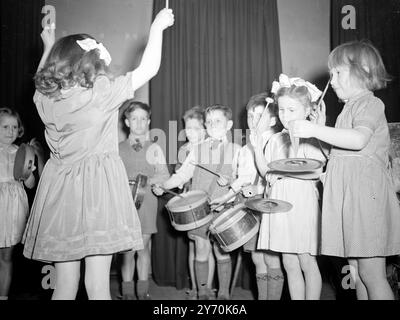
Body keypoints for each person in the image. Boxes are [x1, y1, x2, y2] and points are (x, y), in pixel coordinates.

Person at [23, 9, 174, 300]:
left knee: (65, 283)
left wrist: (47, 47)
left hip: (60, 194)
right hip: (98, 193)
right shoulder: (100, 94)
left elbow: (40, 82)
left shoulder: (44, 99)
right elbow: (149, 68)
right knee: (97, 285)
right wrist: (157, 27)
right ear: (91, 64)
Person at [291, 40, 400, 300]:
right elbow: (339, 156)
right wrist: (321, 133)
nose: (333, 79)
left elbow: (359, 140)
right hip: (352, 201)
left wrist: (314, 129)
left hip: (366, 201)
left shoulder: (369, 104)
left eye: (338, 72)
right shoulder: (346, 110)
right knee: (357, 271)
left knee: (372, 275)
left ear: (362, 70)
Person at [153, 105, 241, 300]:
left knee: (221, 252)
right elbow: (183, 174)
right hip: (199, 209)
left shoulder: (236, 150)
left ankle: (224, 294)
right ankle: (203, 293)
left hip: (223, 207)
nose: (212, 125)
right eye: (209, 122)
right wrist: (165, 184)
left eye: (217, 121)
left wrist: (233, 183)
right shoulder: (197, 149)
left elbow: (244, 180)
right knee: (201, 250)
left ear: (229, 125)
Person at [256, 74, 327, 300]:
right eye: (282, 110)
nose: (285, 116)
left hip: (301, 202)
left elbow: (315, 170)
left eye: (292, 110)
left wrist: (283, 172)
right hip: (280, 202)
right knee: (289, 261)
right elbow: (266, 172)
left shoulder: (312, 136)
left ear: (307, 111)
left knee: (306, 260)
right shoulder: (276, 139)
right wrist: (257, 147)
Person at [213, 93, 284, 300]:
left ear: (272, 120)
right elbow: (242, 179)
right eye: (251, 116)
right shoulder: (245, 149)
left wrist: (259, 190)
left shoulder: (278, 142)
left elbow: (278, 177)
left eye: (259, 116)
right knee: (257, 258)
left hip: (269, 207)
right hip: (250, 207)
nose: (253, 121)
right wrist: (225, 197)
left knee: (272, 260)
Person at [118, 100, 170, 300]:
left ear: (148, 121)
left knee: (142, 247)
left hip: (146, 202)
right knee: (127, 251)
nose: (139, 123)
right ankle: (128, 292)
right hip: (124, 203)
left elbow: (164, 175)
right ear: (127, 122)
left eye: (143, 119)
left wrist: (148, 182)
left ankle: (142, 291)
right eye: (134, 119)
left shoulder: (155, 148)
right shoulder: (118, 148)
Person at [0, 107, 43, 300]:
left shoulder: (22, 152)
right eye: (5, 126)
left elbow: (31, 184)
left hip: (14, 210)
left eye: (14, 127)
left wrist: (28, 173)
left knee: (6, 258)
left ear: (19, 130)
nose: (10, 131)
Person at [176, 106, 215, 300]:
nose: (191, 133)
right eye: (188, 128)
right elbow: (180, 178)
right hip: (190, 204)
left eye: (196, 128)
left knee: (206, 246)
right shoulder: (184, 150)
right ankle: (195, 287)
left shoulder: (211, 147)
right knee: (195, 246)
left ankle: (206, 288)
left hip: (209, 202)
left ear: (205, 129)